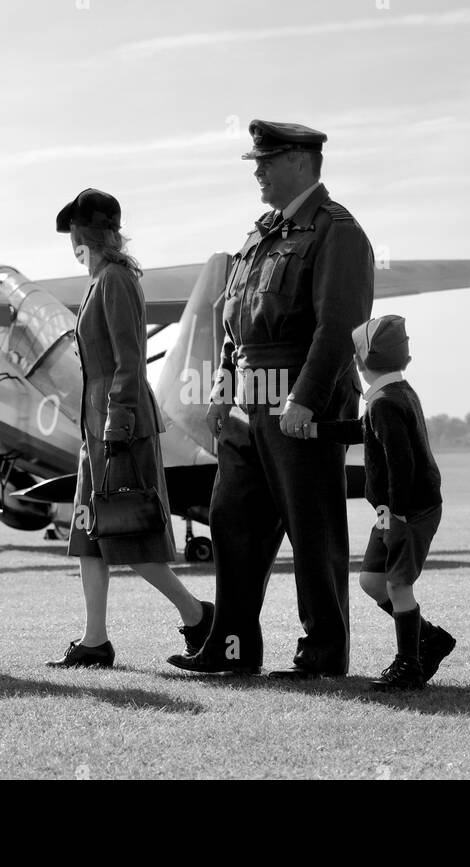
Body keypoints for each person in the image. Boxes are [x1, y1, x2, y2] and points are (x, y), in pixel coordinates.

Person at [169, 120, 375, 679]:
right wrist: (220, 387)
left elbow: (339, 327)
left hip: (303, 409)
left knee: (313, 533)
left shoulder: (338, 232)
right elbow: (234, 323)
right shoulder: (261, 234)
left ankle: (323, 655)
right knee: (231, 522)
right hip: (249, 409)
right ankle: (231, 649)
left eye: (267, 159)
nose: (256, 170)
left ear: (301, 163)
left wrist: (306, 401)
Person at [47, 188, 213, 668]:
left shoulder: (115, 279)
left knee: (130, 532)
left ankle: (198, 615)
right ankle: (94, 641)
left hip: (117, 424)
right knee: (89, 537)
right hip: (96, 425)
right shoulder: (102, 279)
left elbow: (128, 360)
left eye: (75, 234)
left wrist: (116, 425)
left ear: (81, 236)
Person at [310, 315, 457, 690]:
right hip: (395, 509)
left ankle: (408, 667)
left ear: (359, 362)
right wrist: (316, 431)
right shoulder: (394, 393)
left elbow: (400, 462)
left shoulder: (385, 403)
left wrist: (396, 516)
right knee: (372, 581)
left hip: (408, 510)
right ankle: (429, 638)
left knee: (397, 585)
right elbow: (364, 432)